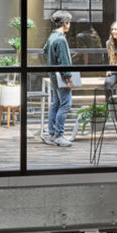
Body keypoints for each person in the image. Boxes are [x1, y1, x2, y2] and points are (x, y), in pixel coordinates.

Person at [42, 11, 75, 147]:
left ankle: (52, 133)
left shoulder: (52, 37)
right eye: (69, 22)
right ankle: (59, 135)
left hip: (54, 76)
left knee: (56, 104)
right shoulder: (61, 39)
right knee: (65, 105)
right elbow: (64, 62)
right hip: (61, 78)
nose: (69, 25)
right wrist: (69, 78)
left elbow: (45, 52)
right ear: (65, 23)